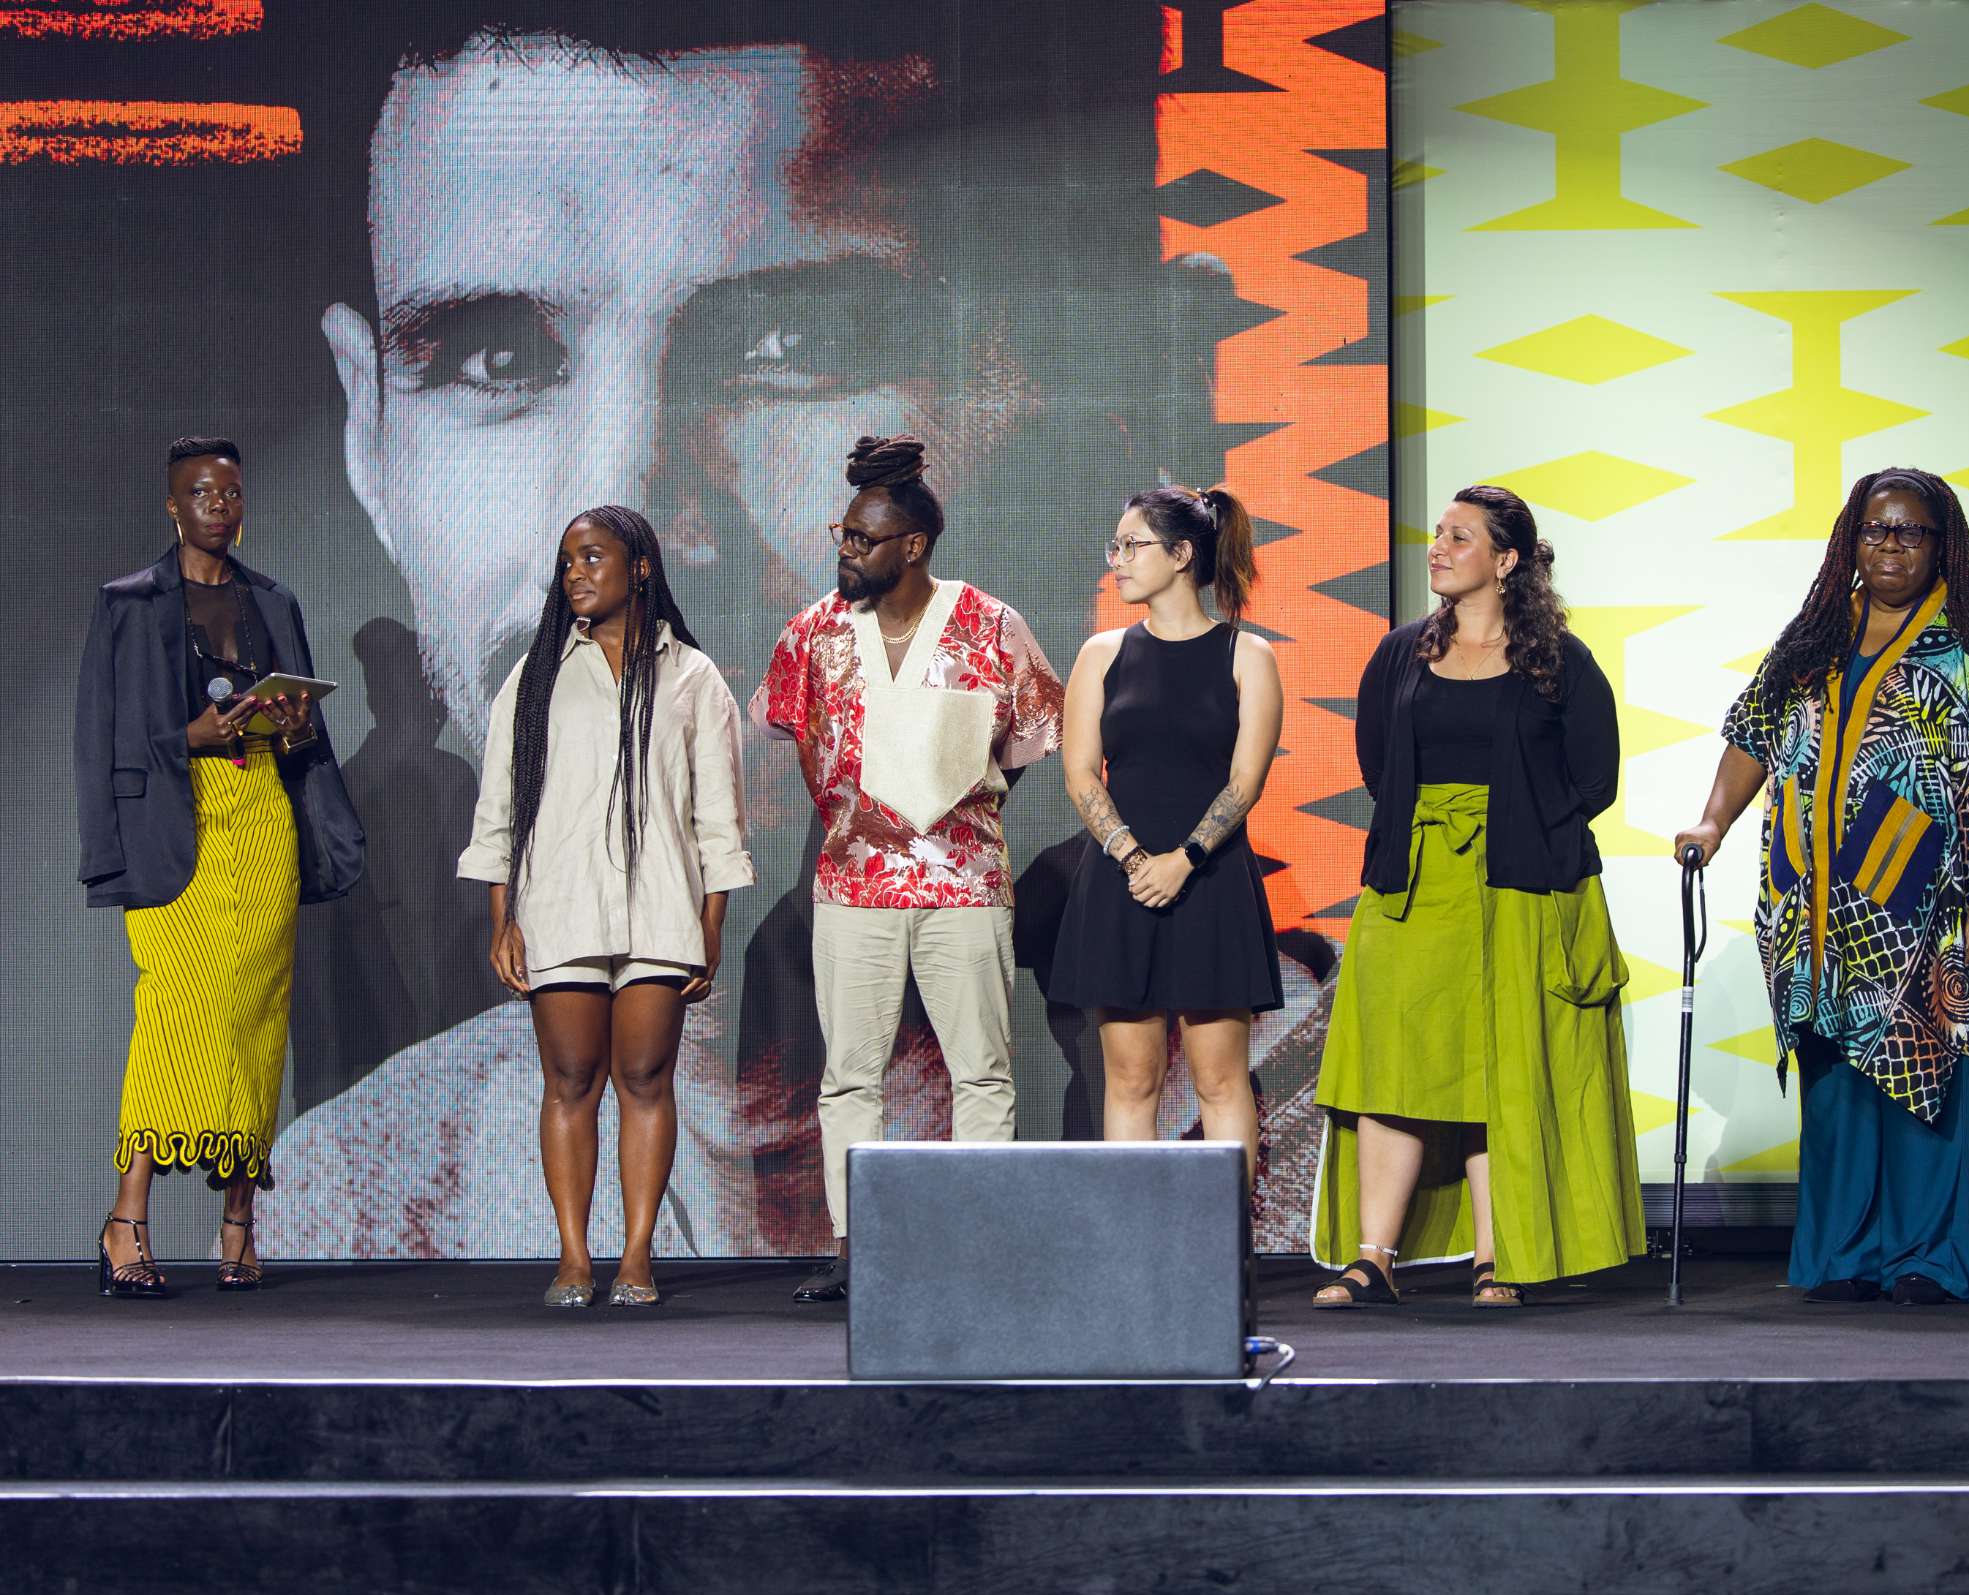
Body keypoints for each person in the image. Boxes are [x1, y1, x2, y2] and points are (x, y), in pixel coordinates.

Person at [271, 6, 1297, 1259]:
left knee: (978, 1074)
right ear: (370, 438)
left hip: (980, 915)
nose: (627, 501)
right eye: (491, 361)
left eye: (790, 344)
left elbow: (1041, 753)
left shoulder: (1306, 1116)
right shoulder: (365, 1191)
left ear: (1110, 391)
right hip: (850, 915)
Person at [1676, 469, 1969, 1306]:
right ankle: (1842, 1256)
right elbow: (1752, 732)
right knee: (1838, 1086)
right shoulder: (1814, 638)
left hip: (1931, 910)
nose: (1890, 545)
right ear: (1850, 542)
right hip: (1818, 913)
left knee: (1931, 1074)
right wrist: (1712, 822)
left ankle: (1928, 1259)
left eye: (1910, 531)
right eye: (1874, 530)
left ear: (1941, 545)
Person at [1309, 484, 1643, 1310]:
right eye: (1437, 534)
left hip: (1516, 882)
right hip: (1412, 881)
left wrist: (1517, 827)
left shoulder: (1559, 660)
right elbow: (1378, 762)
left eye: (1460, 537)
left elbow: (1594, 779)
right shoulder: (1401, 653)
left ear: (1506, 559)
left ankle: (1498, 1256)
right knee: (1393, 1059)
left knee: (1500, 1061)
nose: (1438, 547)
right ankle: (1373, 1259)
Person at [756, 435, 1064, 1303]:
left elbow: (1032, 733)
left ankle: (981, 1244)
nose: (847, 550)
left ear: (914, 545)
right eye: (844, 534)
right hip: (852, 884)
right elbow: (791, 728)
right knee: (850, 1074)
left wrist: (966, 806)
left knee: (982, 1070)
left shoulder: (988, 623)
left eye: (864, 538)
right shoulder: (815, 631)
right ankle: (856, 1245)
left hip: (963, 882)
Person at [73, 437, 365, 1297]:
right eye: (202, 493)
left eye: (231, 493)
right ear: (173, 505)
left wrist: (296, 726)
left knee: (258, 1012)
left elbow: (302, 732)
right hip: (175, 823)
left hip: (261, 815)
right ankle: (126, 1220)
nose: (219, 506)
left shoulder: (270, 599)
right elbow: (101, 737)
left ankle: (239, 1222)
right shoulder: (128, 602)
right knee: (173, 1010)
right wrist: (187, 737)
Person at [458, 506, 751, 1306]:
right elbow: (501, 811)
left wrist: (711, 926)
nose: (575, 574)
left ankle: (637, 1255)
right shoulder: (536, 676)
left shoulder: (693, 676)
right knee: (569, 1077)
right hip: (559, 906)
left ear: (640, 567)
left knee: (646, 1076)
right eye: (567, 563)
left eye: (591, 557)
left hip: (661, 909)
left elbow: (718, 816)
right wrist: (502, 918)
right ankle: (573, 1257)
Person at [1054, 485, 1286, 1172]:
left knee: (1220, 1080)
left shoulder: (1248, 654)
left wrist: (1184, 859)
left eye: (1132, 546)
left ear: (1182, 554)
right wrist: (1135, 860)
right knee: (1131, 1081)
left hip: (1211, 883)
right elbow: (1081, 774)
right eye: (1116, 547)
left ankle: (1228, 1232)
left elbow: (1245, 782)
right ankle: (1137, 1233)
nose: (1117, 561)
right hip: (1121, 884)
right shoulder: (1102, 653)